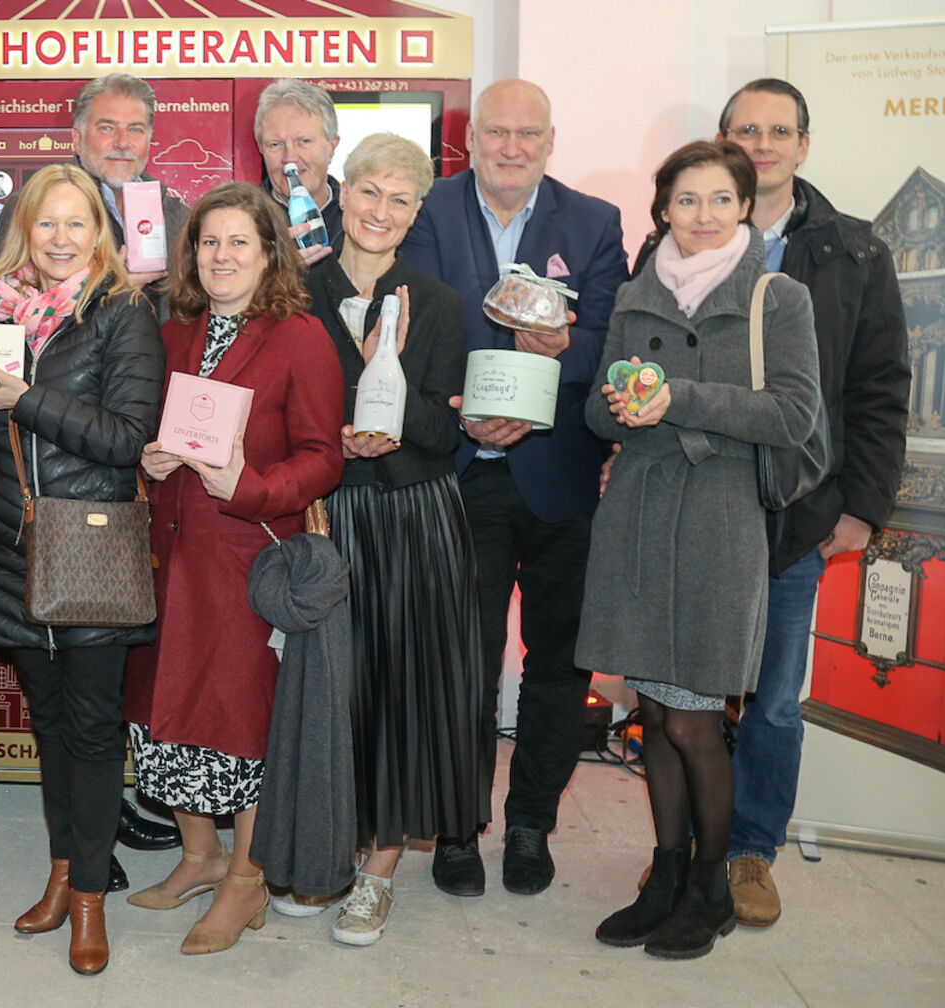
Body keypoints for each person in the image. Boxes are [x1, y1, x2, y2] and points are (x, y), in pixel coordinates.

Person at [582, 139, 819, 959]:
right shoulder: (636, 293)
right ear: (663, 210)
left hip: (719, 519)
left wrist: (677, 398)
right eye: (687, 200)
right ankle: (667, 875)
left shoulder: (776, 297)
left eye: (721, 199)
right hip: (639, 515)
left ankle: (711, 886)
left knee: (691, 720)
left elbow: (793, 415)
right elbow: (596, 415)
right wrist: (622, 403)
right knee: (652, 713)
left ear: (746, 207)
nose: (704, 215)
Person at [399, 78, 629, 898]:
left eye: (528, 134)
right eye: (497, 132)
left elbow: (613, 337)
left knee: (558, 665)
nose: (511, 147)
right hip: (463, 472)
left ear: (550, 141)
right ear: (471, 139)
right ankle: (458, 826)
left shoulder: (595, 222)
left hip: (559, 474)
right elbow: (414, 328)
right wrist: (469, 413)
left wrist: (562, 352)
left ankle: (531, 823)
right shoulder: (428, 211)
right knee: (462, 664)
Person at [0, 163, 164, 975]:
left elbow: (126, 438)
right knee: (49, 728)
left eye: (78, 223)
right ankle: (63, 872)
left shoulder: (122, 311)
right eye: (47, 224)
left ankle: (91, 902)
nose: (62, 239)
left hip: (92, 547)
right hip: (16, 544)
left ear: (100, 233)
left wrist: (22, 397)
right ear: (24, 233)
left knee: (92, 732)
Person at [706, 79, 909, 929]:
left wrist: (862, 508)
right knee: (689, 688)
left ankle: (751, 849)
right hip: (701, 504)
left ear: (803, 145)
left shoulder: (856, 253)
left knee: (776, 698)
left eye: (778, 131)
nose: (762, 144)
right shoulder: (685, 232)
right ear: (724, 139)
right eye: (746, 130)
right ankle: (689, 843)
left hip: (801, 511)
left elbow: (880, 388)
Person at [126, 181, 345, 955]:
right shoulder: (174, 331)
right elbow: (153, 430)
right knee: (164, 712)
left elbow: (324, 457)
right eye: (208, 242)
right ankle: (201, 856)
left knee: (241, 724)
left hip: (247, 561)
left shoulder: (300, 338)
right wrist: (149, 461)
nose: (220, 256)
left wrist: (251, 488)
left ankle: (247, 877)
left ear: (268, 253)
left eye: (237, 242)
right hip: (169, 555)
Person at [294, 133, 484, 945]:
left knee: (404, 690)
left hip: (411, 517)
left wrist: (391, 406)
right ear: (343, 194)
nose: (381, 210)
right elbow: (276, 405)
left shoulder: (438, 302)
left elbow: (448, 428)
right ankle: (328, 848)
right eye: (369, 191)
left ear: (417, 212)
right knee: (331, 691)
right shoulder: (295, 292)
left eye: (400, 199)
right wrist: (335, 436)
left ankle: (378, 872)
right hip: (324, 513)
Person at [0, 73, 192, 330]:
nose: (123, 142)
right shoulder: (32, 206)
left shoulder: (176, 213)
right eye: (107, 128)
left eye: (135, 129)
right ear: (77, 139)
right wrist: (111, 293)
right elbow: (8, 317)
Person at [255, 79, 344, 266]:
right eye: (275, 144)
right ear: (261, 149)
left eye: (303, 141)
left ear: (332, 147)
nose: (290, 158)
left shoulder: (358, 220)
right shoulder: (244, 221)